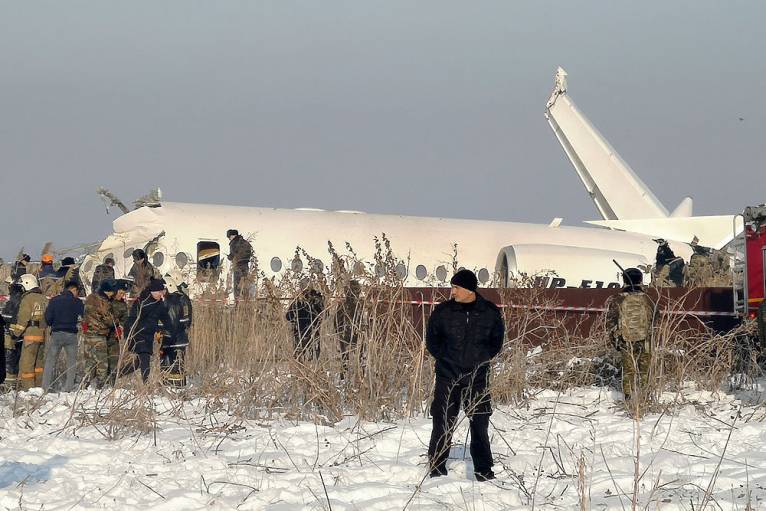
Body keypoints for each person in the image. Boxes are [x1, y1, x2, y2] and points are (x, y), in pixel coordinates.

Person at [425, 269, 504, 481]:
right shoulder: (443, 312)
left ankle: (484, 471)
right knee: (442, 421)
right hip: (447, 376)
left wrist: (481, 358)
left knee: (479, 423)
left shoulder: (489, 312)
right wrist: (446, 358)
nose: (452, 292)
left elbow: (496, 341)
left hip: (477, 378)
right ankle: (436, 469)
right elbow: (432, 341)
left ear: (469, 289)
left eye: (456, 287)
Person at [605, 267, 656, 408]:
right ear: (640, 279)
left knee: (629, 370)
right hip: (645, 340)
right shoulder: (648, 298)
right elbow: (656, 318)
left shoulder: (617, 300)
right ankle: (645, 398)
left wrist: (615, 341)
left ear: (624, 280)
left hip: (626, 340)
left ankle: (628, 399)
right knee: (645, 370)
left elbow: (610, 322)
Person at [124, 278, 175, 382]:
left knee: (139, 362)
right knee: (145, 356)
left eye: (162, 292)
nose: (161, 295)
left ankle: (118, 374)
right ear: (153, 292)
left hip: (149, 335)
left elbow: (165, 318)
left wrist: (170, 329)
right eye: (159, 292)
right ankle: (145, 383)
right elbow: (133, 320)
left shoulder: (160, 303)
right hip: (138, 334)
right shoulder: (142, 301)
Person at [42, 280, 84, 392]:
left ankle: (46, 387)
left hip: (56, 334)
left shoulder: (54, 301)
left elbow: (48, 318)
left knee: (50, 361)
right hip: (71, 335)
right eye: (77, 291)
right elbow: (82, 317)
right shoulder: (78, 302)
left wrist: (53, 324)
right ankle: (68, 388)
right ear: (73, 290)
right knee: (71, 363)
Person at [9, 274, 49, 390]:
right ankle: (39, 386)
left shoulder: (27, 299)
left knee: (27, 364)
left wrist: (15, 333)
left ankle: (28, 389)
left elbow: (23, 319)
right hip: (43, 333)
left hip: (31, 334)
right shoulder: (43, 298)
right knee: (39, 364)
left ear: (27, 284)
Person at [83, 278, 116, 388]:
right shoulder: (104, 302)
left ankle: (84, 384)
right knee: (102, 362)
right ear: (108, 291)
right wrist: (116, 322)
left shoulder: (90, 298)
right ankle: (101, 386)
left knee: (90, 360)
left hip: (88, 333)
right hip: (99, 334)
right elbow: (108, 319)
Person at [160, 276, 193, 386]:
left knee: (171, 367)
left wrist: (164, 335)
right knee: (178, 366)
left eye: (162, 289)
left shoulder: (171, 301)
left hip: (172, 341)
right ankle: (178, 387)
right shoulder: (181, 298)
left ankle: (172, 388)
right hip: (180, 339)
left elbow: (172, 323)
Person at [334, 279, 366, 378]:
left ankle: (347, 376)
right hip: (353, 333)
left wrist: (338, 332)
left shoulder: (344, 305)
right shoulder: (360, 305)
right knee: (360, 357)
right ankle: (360, 376)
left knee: (346, 357)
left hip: (347, 333)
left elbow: (336, 321)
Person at [286, 282, 324, 361]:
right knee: (314, 358)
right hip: (314, 333)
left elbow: (289, 316)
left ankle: (301, 371)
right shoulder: (318, 300)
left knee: (300, 358)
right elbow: (325, 314)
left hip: (300, 333)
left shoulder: (299, 301)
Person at [107, 279, 131, 381]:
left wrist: (120, 328)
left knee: (114, 359)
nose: (122, 295)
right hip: (102, 335)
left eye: (124, 293)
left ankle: (112, 382)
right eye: (121, 293)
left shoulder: (123, 305)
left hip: (115, 336)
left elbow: (125, 319)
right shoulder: (106, 301)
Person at [2, 277, 24, 387]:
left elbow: (7, 317)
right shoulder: (23, 299)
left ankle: (9, 381)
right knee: (17, 357)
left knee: (10, 357)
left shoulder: (12, 301)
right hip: (20, 334)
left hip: (10, 333)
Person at [226, 229, 253, 297]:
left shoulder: (233, 243)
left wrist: (229, 257)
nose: (229, 239)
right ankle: (245, 301)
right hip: (246, 265)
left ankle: (237, 301)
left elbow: (232, 255)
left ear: (232, 236)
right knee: (245, 283)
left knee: (237, 285)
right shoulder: (245, 242)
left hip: (238, 266)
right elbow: (250, 252)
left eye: (229, 237)